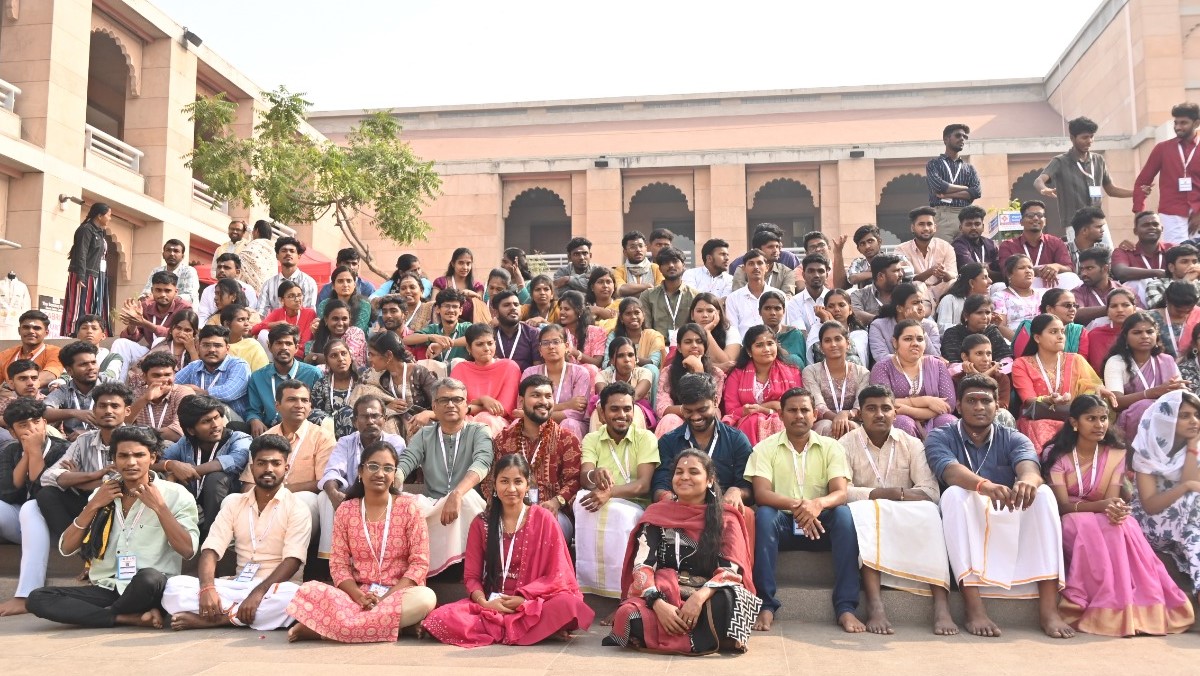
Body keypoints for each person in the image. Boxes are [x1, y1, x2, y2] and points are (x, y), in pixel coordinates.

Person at [924, 374, 1074, 639]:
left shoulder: (1013, 437)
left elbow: (1029, 465)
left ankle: (1049, 610)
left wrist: (1028, 480)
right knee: (955, 495)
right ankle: (974, 608)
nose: (979, 407)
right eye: (972, 401)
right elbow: (950, 472)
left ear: (998, 406)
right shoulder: (940, 436)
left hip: (1005, 509)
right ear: (958, 406)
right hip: (965, 515)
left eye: (986, 401)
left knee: (1044, 495)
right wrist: (984, 486)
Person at [1043, 395, 1194, 637]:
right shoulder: (1057, 454)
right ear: (1074, 422)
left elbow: (1112, 498)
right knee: (1083, 523)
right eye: (1091, 418)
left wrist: (1116, 509)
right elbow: (1062, 506)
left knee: (1124, 525)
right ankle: (1106, 607)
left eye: (1103, 418)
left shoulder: (1115, 453)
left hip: (1101, 512)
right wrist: (1103, 505)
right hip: (1072, 515)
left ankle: (1132, 608)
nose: (1099, 424)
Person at [27, 425, 199, 629]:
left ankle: (106, 615)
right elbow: (66, 548)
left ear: (152, 458)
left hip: (150, 588)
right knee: (38, 598)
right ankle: (126, 617)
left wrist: (160, 507)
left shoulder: (176, 495)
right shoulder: (102, 493)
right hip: (108, 586)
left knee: (150, 578)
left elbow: (188, 550)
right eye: (123, 456)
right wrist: (93, 505)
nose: (131, 462)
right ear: (114, 460)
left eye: (139, 455)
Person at [423, 454, 593, 646]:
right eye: (504, 481)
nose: (511, 489)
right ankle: (534, 630)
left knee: (569, 606)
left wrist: (523, 598)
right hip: (491, 604)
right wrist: (485, 603)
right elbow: (471, 576)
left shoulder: (544, 518)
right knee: (439, 619)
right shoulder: (482, 523)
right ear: (494, 485)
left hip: (532, 601)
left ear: (527, 486)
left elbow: (558, 574)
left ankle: (522, 627)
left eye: (518, 482)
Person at [605, 449, 759, 654]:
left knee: (731, 599)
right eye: (679, 472)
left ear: (710, 480)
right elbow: (642, 567)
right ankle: (705, 638)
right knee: (628, 615)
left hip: (708, 598)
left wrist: (698, 599)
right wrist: (658, 604)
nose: (684, 477)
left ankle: (671, 636)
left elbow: (730, 572)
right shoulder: (656, 514)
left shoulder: (726, 518)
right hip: (665, 594)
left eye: (694, 472)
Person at [286, 441, 436, 643]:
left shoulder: (410, 508)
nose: (380, 473)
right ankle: (396, 627)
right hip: (357, 597)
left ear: (394, 475)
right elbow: (338, 565)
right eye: (373, 466)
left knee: (426, 598)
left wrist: (386, 598)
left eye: (388, 468)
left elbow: (419, 563)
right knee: (309, 590)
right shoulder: (346, 511)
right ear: (360, 471)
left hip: (400, 594)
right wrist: (358, 596)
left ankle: (323, 631)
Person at [161, 434, 312, 631]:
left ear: (286, 468)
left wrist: (257, 594)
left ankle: (220, 619)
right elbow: (211, 549)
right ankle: (242, 614)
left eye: (276, 463)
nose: (268, 469)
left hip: (275, 588)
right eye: (262, 463)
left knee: (295, 598)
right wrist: (207, 588)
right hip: (237, 585)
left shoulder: (297, 507)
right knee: (174, 587)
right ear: (251, 468)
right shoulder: (235, 503)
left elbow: (293, 561)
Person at [746, 387, 861, 632]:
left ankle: (846, 608)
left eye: (804, 410)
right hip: (784, 525)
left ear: (815, 414)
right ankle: (765, 604)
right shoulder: (764, 448)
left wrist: (817, 504)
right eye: (792, 410)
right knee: (764, 515)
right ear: (781, 415)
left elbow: (840, 492)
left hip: (821, 525)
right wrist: (799, 505)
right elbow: (762, 493)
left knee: (843, 514)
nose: (799, 415)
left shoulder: (832, 447)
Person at [841, 385, 954, 635]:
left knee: (931, 515)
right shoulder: (845, 444)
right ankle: (875, 604)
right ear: (860, 414)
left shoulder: (912, 444)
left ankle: (942, 605)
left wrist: (898, 495)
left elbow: (931, 492)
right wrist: (884, 494)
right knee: (865, 512)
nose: (879, 414)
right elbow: (842, 491)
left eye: (885, 408)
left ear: (896, 412)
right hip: (869, 510)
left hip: (906, 511)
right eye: (871, 409)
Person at [398, 377, 492, 575]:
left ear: (467, 405)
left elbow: (482, 463)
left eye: (457, 399)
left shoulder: (479, 431)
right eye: (444, 400)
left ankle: (467, 568)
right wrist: (393, 480)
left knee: (468, 499)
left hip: (466, 505)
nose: (451, 404)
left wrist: (456, 494)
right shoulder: (425, 435)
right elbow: (406, 461)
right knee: (404, 502)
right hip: (434, 507)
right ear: (434, 406)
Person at [574, 382, 659, 599]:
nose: (621, 414)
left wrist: (610, 492)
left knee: (619, 514)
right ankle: (588, 586)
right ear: (602, 412)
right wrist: (596, 474)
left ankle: (624, 593)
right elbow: (585, 478)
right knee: (582, 501)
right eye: (614, 409)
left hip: (635, 506)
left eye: (627, 409)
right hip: (603, 500)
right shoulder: (592, 438)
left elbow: (643, 485)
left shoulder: (645, 438)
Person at [653, 373, 754, 534]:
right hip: (681, 509)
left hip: (723, 511)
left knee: (746, 514)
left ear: (715, 401)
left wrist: (737, 491)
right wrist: (671, 500)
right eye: (688, 411)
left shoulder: (737, 440)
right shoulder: (669, 441)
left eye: (702, 409)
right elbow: (660, 485)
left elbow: (748, 486)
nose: (695, 417)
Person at [484, 375, 582, 536]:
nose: (543, 401)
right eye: (536, 395)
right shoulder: (504, 439)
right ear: (521, 401)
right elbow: (490, 479)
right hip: (510, 510)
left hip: (553, 513)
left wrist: (556, 502)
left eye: (548, 396)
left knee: (543, 523)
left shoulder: (567, 439)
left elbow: (575, 480)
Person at [0, 398, 70, 616]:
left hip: (57, 529)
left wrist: (37, 454)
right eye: (23, 425)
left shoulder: (63, 450)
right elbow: (7, 492)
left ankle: (27, 594)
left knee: (32, 506)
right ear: (12, 432)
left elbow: (43, 494)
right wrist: (27, 454)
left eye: (36, 422)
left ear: (45, 422)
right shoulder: (11, 451)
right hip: (23, 527)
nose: (32, 429)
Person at [1131, 390, 1200, 604]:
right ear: (1167, 418)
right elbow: (1150, 505)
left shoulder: (1196, 446)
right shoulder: (1146, 451)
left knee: (1193, 536)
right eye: (1185, 415)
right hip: (1151, 526)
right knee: (1191, 500)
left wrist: (1192, 447)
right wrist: (1185, 487)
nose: (1194, 421)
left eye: (1197, 415)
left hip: (1188, 526)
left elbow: (1192, 482)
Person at [318, 395, 405, 559]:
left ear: (384, 419)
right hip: (351, 498)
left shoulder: (396, 442)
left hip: (384, 496)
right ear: (354, 421)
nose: (370, 421)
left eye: (375, 416)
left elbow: (394, 478)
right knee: (325, 495)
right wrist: (333, 493)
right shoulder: (345, 442)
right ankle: (330, 557)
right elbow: (332, 472)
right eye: (365, 416)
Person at [1012, 314, 1112, 454]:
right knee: (1042, 428)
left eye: (1062, 332)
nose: (1060, 336)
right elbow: (1028, 401)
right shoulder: (1021, 363)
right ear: (1037, 338)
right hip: (1037, 419)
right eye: (1053, 332)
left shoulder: (1076, 360)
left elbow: (1091, 387)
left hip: (1073, 419)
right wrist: (1049, 400)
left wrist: (1098, 391)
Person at [247, 381, 333, 537]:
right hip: (266, 500)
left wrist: (281, 491)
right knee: (232, 501)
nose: (299, 405)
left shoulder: (323, 437)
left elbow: (322, 482)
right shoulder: (265, 439)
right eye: (292, 399)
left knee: (306, 500)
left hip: (298, 503)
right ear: (277, 405)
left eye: (304, 400)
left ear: (310, 406)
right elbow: (248, 484)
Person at [159, 393, 250, 537]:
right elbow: (158, 462)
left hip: (227, 504)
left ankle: (213, 535)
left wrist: (188, 470)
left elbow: (236, 459)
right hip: (196, 500)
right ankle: (184, 531)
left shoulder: (239, 438)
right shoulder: (186, 442)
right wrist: (172, 466)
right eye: (206, 421)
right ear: (191, 430)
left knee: (216, 477)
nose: (215, 425)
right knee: (169, 476)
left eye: (217, 417)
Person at [1036, 116, 1132, 244]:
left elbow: (1111, 189)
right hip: (1075, 224)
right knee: (1082, 261)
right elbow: (1038, 180)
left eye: (1092, 137)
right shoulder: (1060, 161)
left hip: (1098, 222)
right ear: (1072, 138)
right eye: (1084, 137)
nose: (1089, 141)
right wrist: (1044, 190)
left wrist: (1135, 192)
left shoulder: (1098, 160)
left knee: (1107, 258)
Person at [1103, 311, 1187, 443]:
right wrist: (1152, 393)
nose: (1145, 336)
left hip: (1167, 419)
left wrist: (1182, 390)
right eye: (1137, 333)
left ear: (1156, 335)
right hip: (1130, 422)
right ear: (1125, 336)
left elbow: (1178, 395)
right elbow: (1116, 403)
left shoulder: (1167, 361)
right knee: (1142, 406)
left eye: (1149, 332)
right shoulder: (1116, 362)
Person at [869, 320, 957, 439]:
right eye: (908, 339)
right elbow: (882, 402)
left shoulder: (937, 365)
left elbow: (948, 405)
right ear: (895, 342)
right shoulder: (883, 367)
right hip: (899, 419)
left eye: (920, 339)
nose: (915, 343)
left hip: (935, 418)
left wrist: (906, 409)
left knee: (949, 422)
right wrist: (927, 401)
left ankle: (944, 457)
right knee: (902, 423)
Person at [722, 325, 803, 445]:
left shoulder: (792, 372)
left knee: (776, 421)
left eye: (770, 343)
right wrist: (768, 407)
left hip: (782, 422)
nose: (766, 349)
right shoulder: (736, 375)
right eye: (759, 345)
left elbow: (796, 405)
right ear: (749, 351)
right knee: (753, 420)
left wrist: (763, 409)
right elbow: (731, 409)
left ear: (776, 345)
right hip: (747, 424)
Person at [1134, 103, 1200, 243]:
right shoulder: (1162, 149)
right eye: (1175, 123)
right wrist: (1139, 212)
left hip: (1198, 210)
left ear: (1196, 123)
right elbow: (1142, 181)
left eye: (1183, 123)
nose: (1177, 127)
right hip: (1171, 213)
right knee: (1176, 254)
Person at [356, 331, 437, 438]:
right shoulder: (378, 376)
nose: (369, 359)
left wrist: (427, 414)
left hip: (420, 430)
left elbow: (444, 407)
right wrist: (386, 407)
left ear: (389, 355)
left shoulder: (419, 373)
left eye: (372, 354)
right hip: (392, 431)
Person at [245, 324, 323, 435]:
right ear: (269, 346)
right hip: (270, 430)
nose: (284, 348)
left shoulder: (313, 373)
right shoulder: (258, 377)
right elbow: (253, 409)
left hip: (304, 430)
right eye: (279, 343)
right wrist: (254, 419)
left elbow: (319, 409)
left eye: (288, 343)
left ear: (296, 348)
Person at [113, 270, 190, 377]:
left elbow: (174, 335)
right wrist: (133, 322)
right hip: (149, 352)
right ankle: (115, 387)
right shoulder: (145, 306)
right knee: (120, 343)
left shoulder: (184, 308)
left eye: (167, 291)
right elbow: (132, 338)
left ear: (176, 292)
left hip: (174, 354)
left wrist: (145, 323)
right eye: (158, 290)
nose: (163, 294)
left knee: (159, 340)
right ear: (152, 290)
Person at [521, 324, 593, 440]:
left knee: (569, 423)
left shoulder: (580, 373)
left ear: (566, 346)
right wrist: (567, 405)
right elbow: (522, 408)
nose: (551, 346)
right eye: (545, 343)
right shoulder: (530, 373)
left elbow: (576, 413)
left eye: (556, 342)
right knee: (517, 425)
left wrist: (536, 415)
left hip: (571, 425)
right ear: (540, 350)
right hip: (535, 425)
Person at [655, 324, 727, 437]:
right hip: (677, 422)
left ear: (705, 346)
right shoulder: (668, 372)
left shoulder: (716, 374)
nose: (694, 345)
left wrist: (699, 371)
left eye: (699, 341)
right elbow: (662, 408)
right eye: (688, 342)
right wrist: (689, 411)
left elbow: (711, 406)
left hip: (704, 420)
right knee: (670, 419)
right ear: (679, 347)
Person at [451, 323, 520, 437]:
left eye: (490, 343)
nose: (486, 348)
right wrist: (483, 400)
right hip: (464, 420)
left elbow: (501, 410)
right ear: (469, 348)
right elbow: (456, 407)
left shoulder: (510, 367)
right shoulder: (460, 369)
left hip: (496, 423)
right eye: (479, 344)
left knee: (485, 419)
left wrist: (476, 404)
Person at [803, 322, 870, 439]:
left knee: (852, 427)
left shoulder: (862, 373)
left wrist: (846, 414)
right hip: (823, 421)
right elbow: (818, 405)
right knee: (827, 426)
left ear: (848, 344)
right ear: (821, 347)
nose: (833, 344)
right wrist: (837, 418)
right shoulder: (810, 371)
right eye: (827, 341)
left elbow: (861, 405)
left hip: (853, 420)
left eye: (838, 339)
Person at [175, 325, 252, 422]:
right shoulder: (194, 366)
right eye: (206, 345)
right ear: (198, 347)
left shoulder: (238, 365)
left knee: (218, 408)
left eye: (217, 345)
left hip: (234, 425)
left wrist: (201, 393)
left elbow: (228, 393)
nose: (211, 350)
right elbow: (171, 386)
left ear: (227, 349)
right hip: (200, 421)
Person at [996, 201, 1076, 288]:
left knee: (1071, 277)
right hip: (1021, 288)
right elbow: (1006, 272)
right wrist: (1034, 270)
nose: (1035, 218)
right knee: (998, 286)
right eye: (1030, 215)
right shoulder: (1008, 245)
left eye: (1040, 215)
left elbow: (1069, 268)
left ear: (1044, 221)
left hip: (1050, 288)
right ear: (1021, 222)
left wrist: (1056, 267)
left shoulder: (1056, 242)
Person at [61, 203, 113, 335]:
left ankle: (97, 332)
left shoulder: (100, 231)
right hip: (85, 272)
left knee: (95, 305)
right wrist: (80, 275)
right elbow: (81, 253)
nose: (110, 218)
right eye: (109, 215)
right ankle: (74, 331)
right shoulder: (86, 229)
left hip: (98, 274)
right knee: (80, 304)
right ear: (100, 215)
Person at [42, 341, 112, 439]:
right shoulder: (64, 391)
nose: (91, 368)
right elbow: (43, 412)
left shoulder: (111, 386)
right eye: (84, 364)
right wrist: (75, 413)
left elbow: (125, 420)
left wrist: (90, 434)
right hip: (73, 446)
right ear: (69, 370)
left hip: (106, 441)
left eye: (93, 362)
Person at [926, 123, 982, 241]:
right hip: (943, 215)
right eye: (958, 135)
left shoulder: (969, 168)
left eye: (964, 137)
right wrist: (965, 188)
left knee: (966, 256)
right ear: (946, 139)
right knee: (944, 255)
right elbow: (939, 186)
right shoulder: (934, 164)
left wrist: (948, 195)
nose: (962, 139)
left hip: (966, 217)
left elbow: (976, 192)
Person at [867, 282, 941, 366]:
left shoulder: (930, 326)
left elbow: (936, 358)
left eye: (921, 302)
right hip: (890, 373)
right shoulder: (878, 326)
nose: (921, 307)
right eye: (915, 303)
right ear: (899, 308)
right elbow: (881, 357)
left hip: (923, 372)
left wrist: (917, 325)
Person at [953, 334, 1018, 429]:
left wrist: (980, 377)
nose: (986, 359)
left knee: (1002, 414)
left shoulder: (1001, 378)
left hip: (995, 424)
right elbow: (958, 409)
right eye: (979, 353)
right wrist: (979, 377)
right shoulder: (956, 379)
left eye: (988, 354)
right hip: (966, 425)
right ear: (965, 357)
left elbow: (1001, 406)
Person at [591, 337, 654, 430]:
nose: (627, 359)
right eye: (621, 356)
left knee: (633, 409)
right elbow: (603, 396)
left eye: (631, 355)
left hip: (637, 411)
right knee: (599, 411)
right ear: (612, 360)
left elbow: (636, 396)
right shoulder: (603, 376)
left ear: (636, 358)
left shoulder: (644, 373)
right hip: (611, 410)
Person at [126, 351, 191, 442]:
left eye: (168, 375)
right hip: (139, 447)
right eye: (156, 376)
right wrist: (145, 399)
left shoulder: (183, 393)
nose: (163, 380)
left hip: (171, 448)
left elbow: (177, 434)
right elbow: (123, 425)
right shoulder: (135, 394)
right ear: (144, 377)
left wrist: (137, 434)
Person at [1112, 211, 1173, 305]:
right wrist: (1158, 272)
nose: (1152, 227)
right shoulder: (1124, 251)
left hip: (1172, 298)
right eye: (1146, 225)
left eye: (1155, 224)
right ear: (1135, 231)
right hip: (1139, 308)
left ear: (1162, 228)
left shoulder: (1172, 249)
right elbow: (1121, 272)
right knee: (1136, 283)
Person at [897, 206, 956, 302]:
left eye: (929, 224)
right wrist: (930, 272)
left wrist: (944, 273)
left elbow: (953, 276)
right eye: (921, 224)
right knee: (917, 284)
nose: (926, 228)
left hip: (941, 291)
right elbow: (906, 279)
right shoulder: (901, 250)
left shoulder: (946, 247)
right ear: (913, 228)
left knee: (954, 283)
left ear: (935, 228)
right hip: (916, 293)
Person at [1011, 289, 1090, 360]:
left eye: (1075, 306)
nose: (1073, 309)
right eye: (1067, 305)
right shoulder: (1029, 328)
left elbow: (1081, 364)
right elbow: (1022, 361)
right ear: (1049, 309)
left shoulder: (1079, 331)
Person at [641, 247, 695, 347]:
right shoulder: (647, 295)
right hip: (657, 347)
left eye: (675, 261)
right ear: (660, 268)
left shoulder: (695, 296)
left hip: (687, 348)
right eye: (666, 262)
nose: (671, 265)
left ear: (683, 265)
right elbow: (646, 328)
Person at [404, 289, 470, 371]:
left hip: (460, 375)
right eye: (446, 306)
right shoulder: (433, 329)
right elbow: (406, 340)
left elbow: (476, 338)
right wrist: (432, 337)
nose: (451, 310)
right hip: (437, 377)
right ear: (437, 309)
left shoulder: (466, 327)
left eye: (455, 307)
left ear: (460, 310)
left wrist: (443, 345)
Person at [251, 280, 319, 359]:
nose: (297, 299)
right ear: (282, 300)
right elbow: (254, 329)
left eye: (299, 295)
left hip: (297, 355)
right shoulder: (278, 312)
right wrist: (275, 324)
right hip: (277, 354)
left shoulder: (309, 313)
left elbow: (305, 342)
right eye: (291, 296)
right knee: (263, 333)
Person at [940, 294, 1014, 365]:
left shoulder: (992, 331)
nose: (985, 317)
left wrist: (996, 369)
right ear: (966, 315)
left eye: (988, 313)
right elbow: (953, 364)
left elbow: (1005, 357)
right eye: (979, 313)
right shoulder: (953, 333)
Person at [1073, 247, 1137, 325]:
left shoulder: (1126, 290)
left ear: (1105, 269)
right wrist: (1113, 309)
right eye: (1082, 269)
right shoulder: (1077, 292)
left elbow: (1139, 311)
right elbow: (1076, 314)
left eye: (1089, 268)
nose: (1084, 273)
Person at [311, 339, 361, 438]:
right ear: (327, 362)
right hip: (329, 430)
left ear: (350, 357)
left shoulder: (362, 379)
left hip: (359, 428)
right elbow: (316, 412)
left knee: (348, 413)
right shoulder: (321, 384)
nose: (340, 359)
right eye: (334, 356)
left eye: (344, 353)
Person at [0, 310, 63, 388]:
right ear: (19, 331)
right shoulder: (5, 355)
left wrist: (16, 388)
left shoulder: (55, 352)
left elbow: (50, 375)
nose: (31, 331)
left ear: (46, 333)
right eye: (26, 327)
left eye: (37, 328)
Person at [807, 289, 869, 367]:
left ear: (850, 310)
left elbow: (850, 350)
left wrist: (829, 321)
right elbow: (822, 352)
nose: (836, 309)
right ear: (825, 310)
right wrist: (828, 323)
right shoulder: (817, 329)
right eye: (831, 306)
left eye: (841, 305)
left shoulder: (860, 333)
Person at [258, 236, 318, 315]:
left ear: (299, 256)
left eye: (292, 251)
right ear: (277, 256)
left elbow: (308, 313)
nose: (288, 253)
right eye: (284, 250)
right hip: (274, 326)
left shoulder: (308, 282)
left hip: (301, 326)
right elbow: (261, 313)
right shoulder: (269, 284)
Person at [725, 249, 779, 336]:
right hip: (744, 347)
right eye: (751, 264)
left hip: (772, 346)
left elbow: (783, 327)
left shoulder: (778, 296)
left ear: (767, 268)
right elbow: (732, 332)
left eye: (760, 263)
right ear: (744, 269)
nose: (756, 267)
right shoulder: (733, 298)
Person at [1085, 288, 1140, 374]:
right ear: (1107, 312)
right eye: (1114, 306)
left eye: (1125, 305)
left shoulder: (1144, 333)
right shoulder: (1095, 335)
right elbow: (1096, 368)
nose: (1120, 310)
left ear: (1134, 309)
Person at [305, 300, 368, 371]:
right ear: (326, 320)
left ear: (349, 320)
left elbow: (347, 359)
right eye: (335, 319)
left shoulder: (355, 332)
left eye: (344, 319)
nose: (340, 323)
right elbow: (308, 361)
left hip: (354, 377)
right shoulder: (322, 338)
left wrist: (315, 357)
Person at [197, 253, 259, 325]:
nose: (221, 270)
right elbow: (203, 316)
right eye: (219, 267)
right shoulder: (208, 290)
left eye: (226, 268)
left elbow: (250, 317)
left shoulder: (248, 289)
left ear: (237, 272)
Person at [990, 254, 1046, 334]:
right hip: (1013, 342)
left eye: (1030, 267)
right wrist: (1021, 344)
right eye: (1021, 268)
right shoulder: (999, 297)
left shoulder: (1043, 295)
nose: (1028, 271)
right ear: (1009, 274)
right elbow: (1000, 326)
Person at [731, 229, 796, 296]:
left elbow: (788, 298)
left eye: (777, 247)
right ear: (758, 250)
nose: (775, 250)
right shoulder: (743, 269)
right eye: (770, 247)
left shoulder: (787, 272)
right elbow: (738, 296)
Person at [432, 247, 487, 322]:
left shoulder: (477, 286)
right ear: (453, 263)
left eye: (468, 263)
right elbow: (433, 305)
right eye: (461, 263)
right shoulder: (441, 282)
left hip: (469, 330)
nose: (465, 267)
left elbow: (480, 308)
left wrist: (472, 294)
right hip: (443, 328)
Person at [490, 290, 540, 373]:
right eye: (506, 305)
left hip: (525, 382)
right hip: (495, 382)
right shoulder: (489, 334)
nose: (513, 308)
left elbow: (537, 369)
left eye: (516, 305)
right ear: (495, 312)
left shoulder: (533, 334)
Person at [846, 225, 911, 288]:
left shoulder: (897, 258)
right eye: (862, 244)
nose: (867, 246)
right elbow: (852, 279)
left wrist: (865, 274)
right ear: (859, 249)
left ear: (879, 242)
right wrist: (881, 271)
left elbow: (909, 271)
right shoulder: (858, 263)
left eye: (870, 241)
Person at [557, 290, 606, 372]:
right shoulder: (558, 333)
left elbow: (597, 362)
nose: (561, 312)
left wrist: (575, 352)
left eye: (566, 309)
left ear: (579, 311)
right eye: (560, 309)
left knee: (591, 369)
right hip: (565, 374)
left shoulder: (596, 332)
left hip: (591, 374)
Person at [935, 262, 991, 333]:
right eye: (984, 278)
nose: (990, 281)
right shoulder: (949, 300)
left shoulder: (985, 302)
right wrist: (969, 327)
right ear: (971, 283)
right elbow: (942, 328)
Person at [140, 239, 198, 306]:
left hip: (184, 313)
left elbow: (190, 296)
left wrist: (163, 298)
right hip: (159, 313)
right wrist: (144, 298)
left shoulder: (189, 271)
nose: (171, 254)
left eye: (176, 251)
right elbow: (146, 293)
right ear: (163, 254)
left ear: (182, 256)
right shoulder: (156, 271)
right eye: (168, 250)